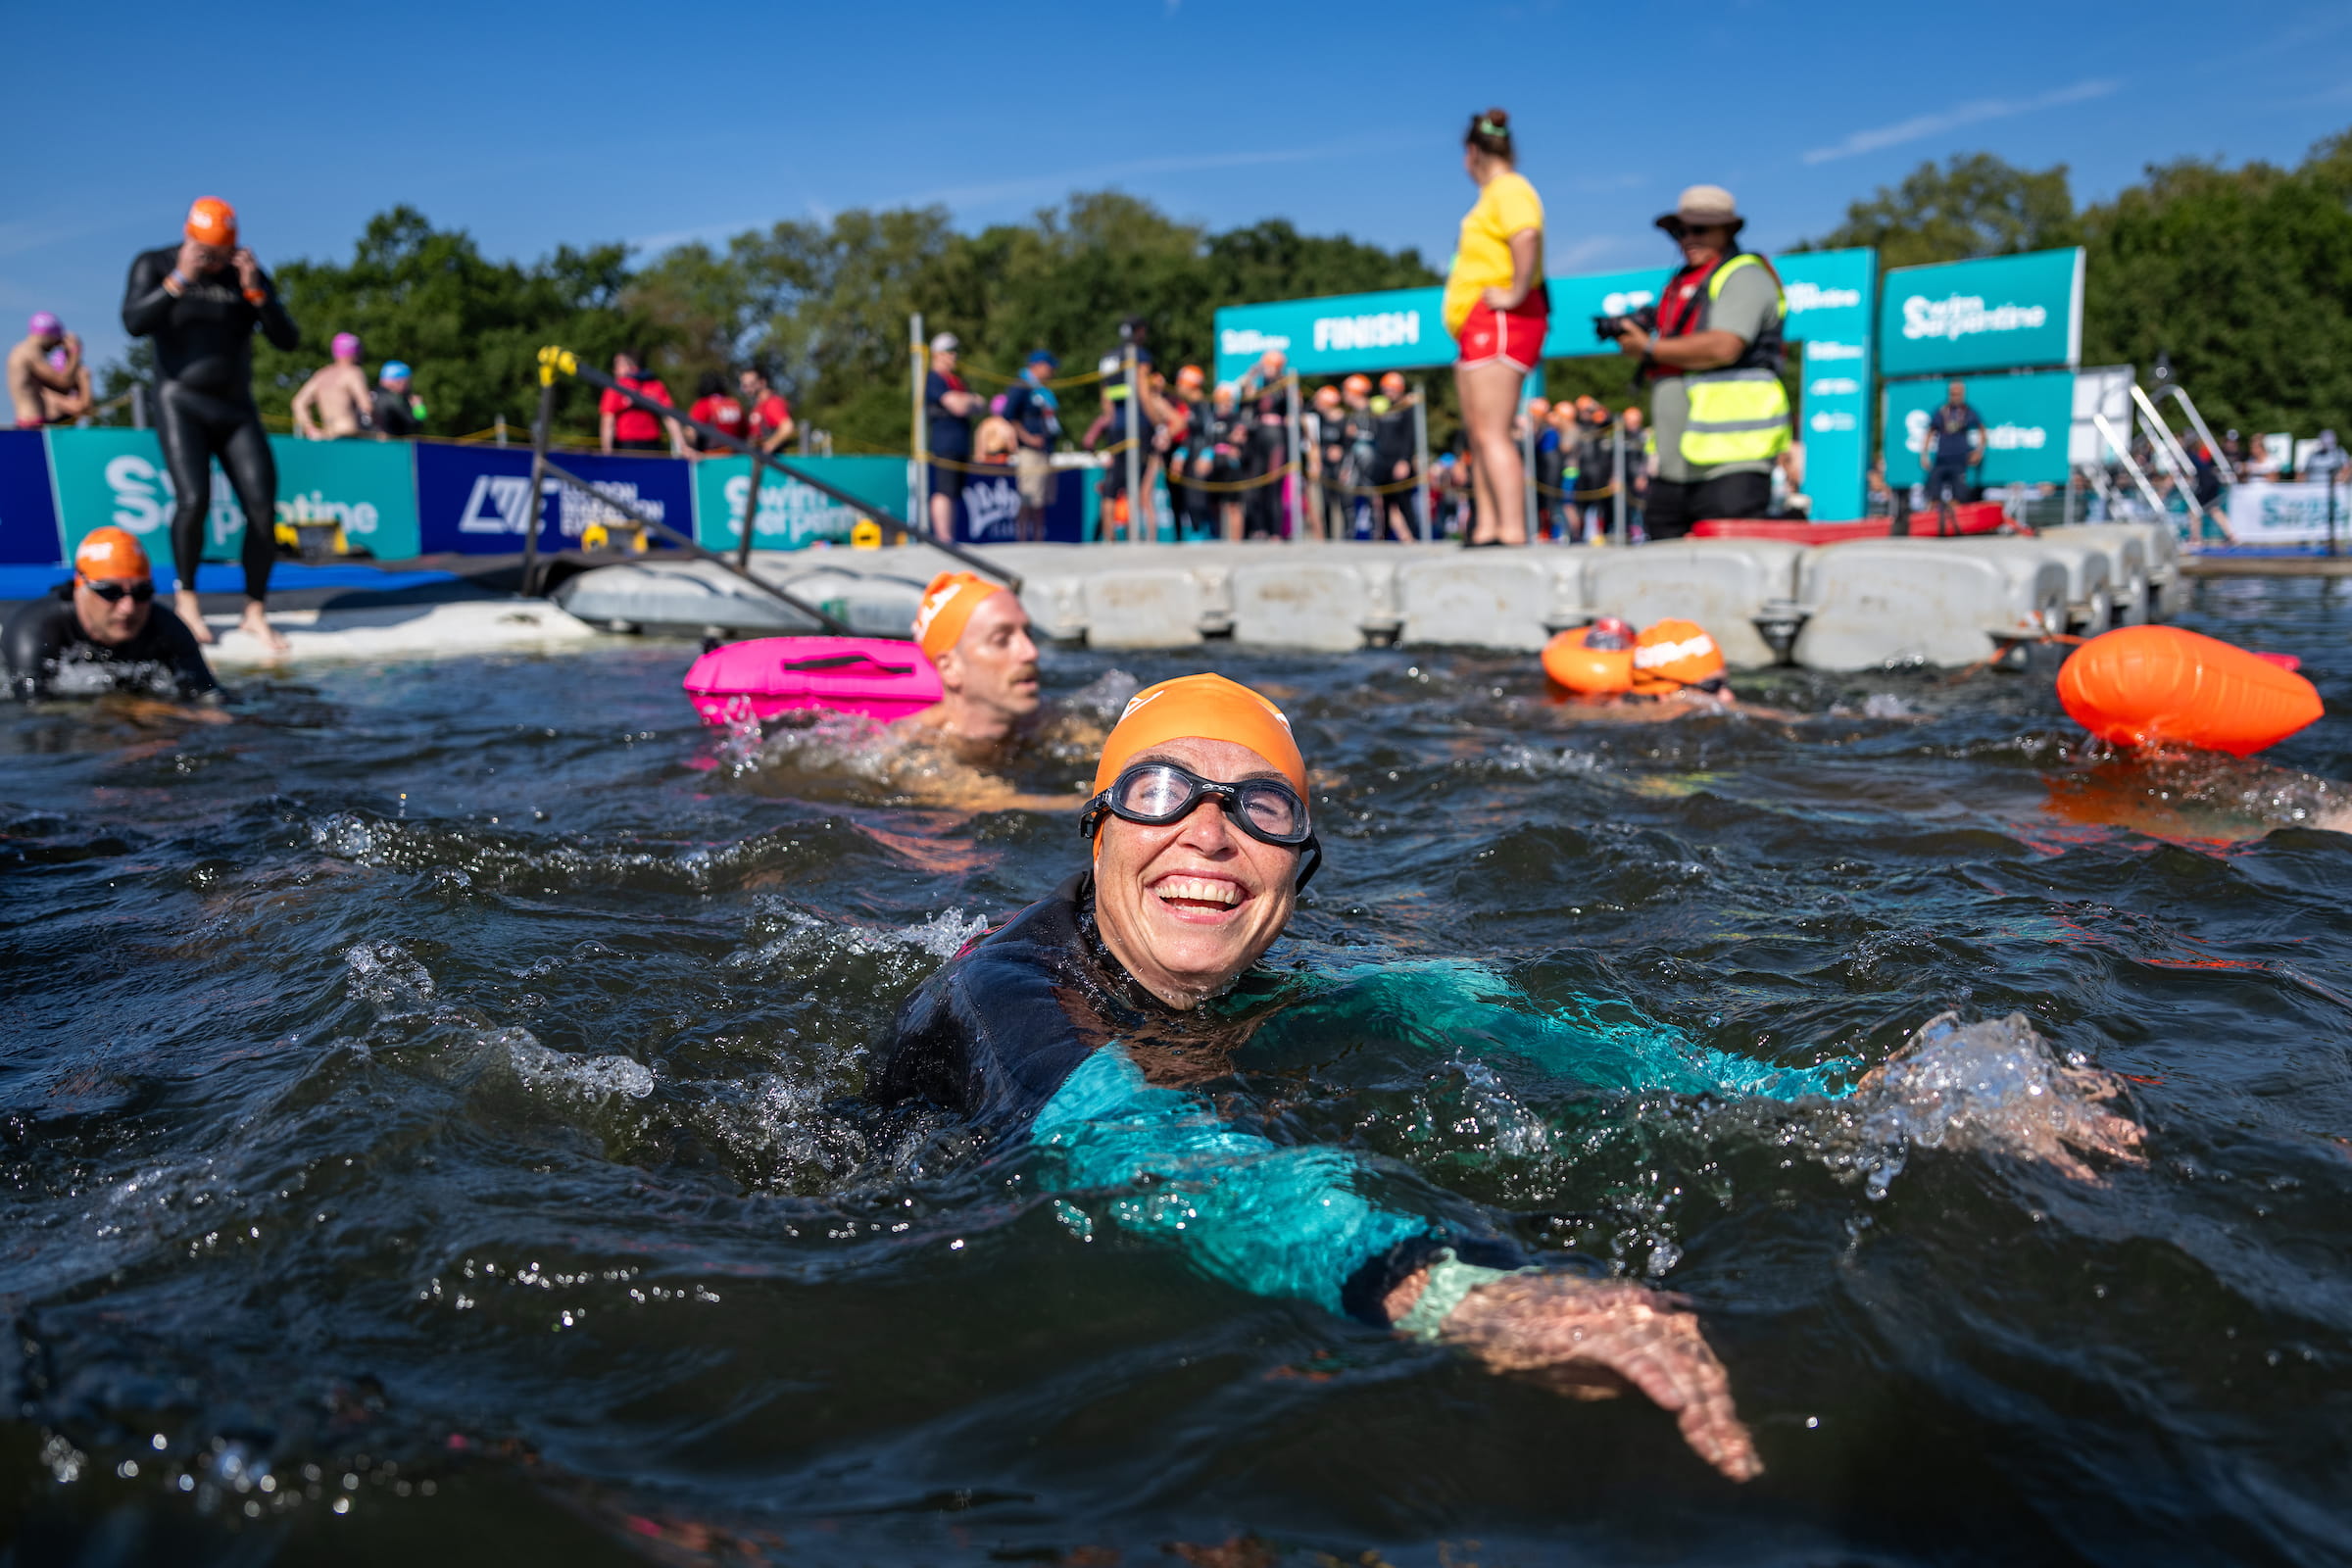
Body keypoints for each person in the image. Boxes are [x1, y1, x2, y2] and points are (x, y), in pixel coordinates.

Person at [868, 672, 2150, 1479]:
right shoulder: (1007, 998)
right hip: (943, 1331)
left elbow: (1538, 1024)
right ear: (1096, 832)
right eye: (1161, 792)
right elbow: (1123, 1150)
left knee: (1473, 1062)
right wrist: (1454, 1300)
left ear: (1297, 872)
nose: (1211, 831)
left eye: (1261, 808)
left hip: (1209, 1157)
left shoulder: (1264, 985)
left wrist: (1847, 1099)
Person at [121, 196, 299, 655]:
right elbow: (135, 322)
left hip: (236, 407)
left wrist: (256, 291)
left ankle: (255, 610)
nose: (212, 262)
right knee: (193, 499)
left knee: (262, 509)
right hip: (180, 400)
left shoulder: (244, 274)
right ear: (189, 238)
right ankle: (187, 602)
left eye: (219, 255)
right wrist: (181, 276)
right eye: (206, 252)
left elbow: (287, 340)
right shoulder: (156, 263)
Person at [1612, 186, 1788, 541]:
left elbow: (1723, 347)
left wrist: (1649, 348)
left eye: (1700, 229)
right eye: (1681, 231)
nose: (1687, 239)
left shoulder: (1744, 275)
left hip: (1734, 463)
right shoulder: (1680, 283)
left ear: (1728, 230)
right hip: (1677, 467)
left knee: (1730, 572)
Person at [1445, 109, 1546, 548]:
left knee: (1493, 431)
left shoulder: (1510, 189)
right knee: (1478, 434)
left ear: (1472, 152)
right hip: (1476, 324)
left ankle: (1510, 530)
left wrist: (1514, 291)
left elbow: (1526, 235)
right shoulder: (1491, 196)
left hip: (1502, 318)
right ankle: (1486, 526)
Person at [5, 526, 220, 707]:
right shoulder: (34, 628)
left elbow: (211, 698)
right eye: (110, 592)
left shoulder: (166, 627)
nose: (128, 607)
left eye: (142, 592)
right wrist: (123, 710)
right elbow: (33, 709)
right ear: (80, 587)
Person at [1001, 351, 1061, 542]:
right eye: (1049, 367)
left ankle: (1037, 538)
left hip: (1045, 449)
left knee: (1041, 498)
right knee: (1028, 497)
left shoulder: (1043, 390)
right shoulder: (1021, 385)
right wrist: (1028, 438)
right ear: (1038, 365)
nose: (1052, 371)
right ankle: (1023, 539)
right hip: (1029, 450)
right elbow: (1009, 415)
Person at [924, 333, 979, 542]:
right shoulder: (934, 378)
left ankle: (950, 537)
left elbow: (979, 404)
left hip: (961, 443)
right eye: (949, 351)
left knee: (955, 492)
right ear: (937, 354)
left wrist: (968, 401)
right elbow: (957, 406)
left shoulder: (956, 381)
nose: (954, 355)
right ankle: (943, 537)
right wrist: (967, 402)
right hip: (944, 442)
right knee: (943, 490)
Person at [1921, 379, 1984, 529]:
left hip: (1960, 459)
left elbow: (1982, 430)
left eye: (1958, 393)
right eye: (1953, 393)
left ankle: (1954, 525)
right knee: (1933, 493)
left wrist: (1979, 451)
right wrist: (1924, 454)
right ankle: (1930, 524)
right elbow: (1930, 432)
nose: (1955, 396)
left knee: (1958, 495)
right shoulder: (1942, 411)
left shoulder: (1968, 411)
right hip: (1941, 458)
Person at [290, 332, 372, 440]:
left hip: (327, 435)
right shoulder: (353, 372)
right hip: (349, 434)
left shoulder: (321, 375)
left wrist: (310, 429)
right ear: (354, 352)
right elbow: (366, 405)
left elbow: (298, 402)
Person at [10, 314, 84, 428]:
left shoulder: (21, 351)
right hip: (31, 425)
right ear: (49, 335)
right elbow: (64, 383)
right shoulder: (30, 353)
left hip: (29, 423)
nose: (55, 346)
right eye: (56, 340)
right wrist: (74, 352)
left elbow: (62, 389)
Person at [600, 352, 679, 456]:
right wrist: (681, 446)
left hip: (627, 446)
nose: (614, 370)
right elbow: (670, 418)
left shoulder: (616, 387)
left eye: (617, 365)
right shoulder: (656, 385)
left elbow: (608, 422)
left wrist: (606, 452)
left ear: (628, 365)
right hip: (654, 445)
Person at [1373, 371, 1422, 542]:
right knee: (1384, 503)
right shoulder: (1381, 408)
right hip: (1383, 461)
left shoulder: (1407, 408)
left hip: (1399, 461)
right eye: (1385, 389)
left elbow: (1410, 437)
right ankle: (1384, 537)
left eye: (1392, 389)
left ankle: (1415, 536)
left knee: (1404, 501)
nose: (1388, 393)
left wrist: (1405, 460)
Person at [685, 371, 745, 455]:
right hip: (736, 456)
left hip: (712, 457)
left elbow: (691, 434)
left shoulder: (704, 404)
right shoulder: (735, 404)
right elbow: (745, 432)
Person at [740, 368, 795, 455]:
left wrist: (770, 445)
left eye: (751, 384)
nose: (747, 389)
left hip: (771, 460)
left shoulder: (772, 403)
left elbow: (787, 427)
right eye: (744, 386)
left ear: (762, 382)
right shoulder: (758, 405)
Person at [370, 362, 423, 439]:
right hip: (388, 446)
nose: (409, 386)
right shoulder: (392, 398)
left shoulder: (369, 394)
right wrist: (419, 407)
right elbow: (415, 423)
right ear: (400, 382)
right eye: (408, 382)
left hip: (360, 443)